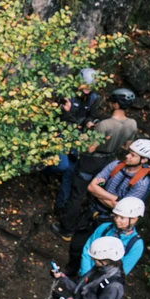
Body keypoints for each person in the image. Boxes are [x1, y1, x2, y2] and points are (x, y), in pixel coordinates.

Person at [55, 89, 139, 238]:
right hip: (108, 164)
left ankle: (66, 229)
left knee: (77, 194)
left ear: (115, 104)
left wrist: (86, 137)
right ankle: (84, 226)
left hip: (90, 162)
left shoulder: (105, 125)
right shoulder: (132, 124)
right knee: (95, 192)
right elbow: (126, 146)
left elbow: (90, 148)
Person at [66, 138, 150, 270]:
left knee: (97, 250)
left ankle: (87, 279)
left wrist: (100, 192)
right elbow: (91, 187)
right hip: (92, 211)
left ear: (144, 160)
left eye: (133, 155)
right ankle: (71, 271)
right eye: (129, 152)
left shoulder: (141, 183)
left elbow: (122, 209)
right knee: (76, 245)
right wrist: (114, 198)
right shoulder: (115, 165)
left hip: (110, 219)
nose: (127, 156)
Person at [47, 68, 100, 212]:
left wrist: (90, 123)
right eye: (85, 86)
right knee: (62, 166)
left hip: (77, 136)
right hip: (61, 132)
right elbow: (56, 118)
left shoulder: (93, 98)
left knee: (71, 170)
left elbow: (91, 115)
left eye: (90, 87)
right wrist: (67, 111)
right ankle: (42, 166)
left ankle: (60, 206)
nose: (87, 90)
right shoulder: (67, 94)